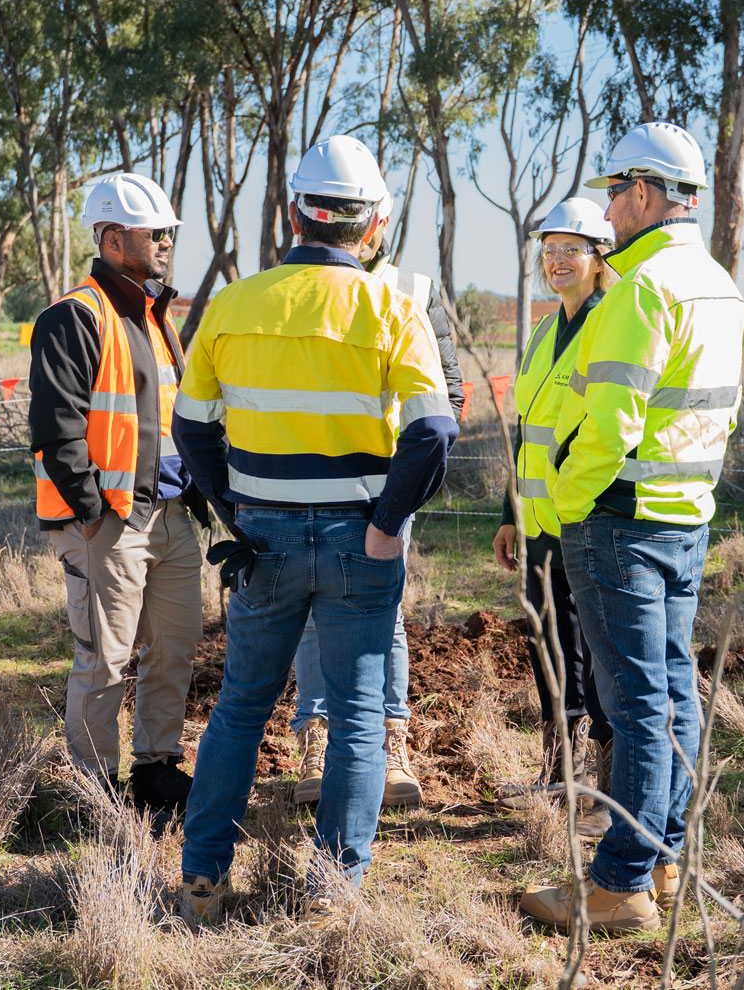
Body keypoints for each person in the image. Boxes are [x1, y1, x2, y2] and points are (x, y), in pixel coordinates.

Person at [172, 134, 459, 920]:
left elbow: (191, 429)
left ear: (294, 213)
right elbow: (434, 430)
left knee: (240, 708)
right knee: (360, 717)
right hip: (356, 542)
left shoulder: (232, 304)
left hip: (261, 541)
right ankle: (333, 896)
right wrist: (389, 522)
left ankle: (202, 881)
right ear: (374, 226)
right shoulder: (392, 307)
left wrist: (236, 511)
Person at [519, 122, 744, 933]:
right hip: (684, 516)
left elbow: (609, 428)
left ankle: (618, 884)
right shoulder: (717, 283)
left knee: (639, 703)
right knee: (673, 695)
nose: (608, 209)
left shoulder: (641, 287)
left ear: (646, 194)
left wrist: (566, 507)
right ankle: (667, 856)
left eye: (615, 193)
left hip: (618, 521)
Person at [29, 172, 208, 816]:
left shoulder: (157, 319)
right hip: (110, 521)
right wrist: (92, 513)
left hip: (171, 516)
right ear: (110, 239)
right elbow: (57, 427)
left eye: (166, 232)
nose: (165, 241)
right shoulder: (73, 316)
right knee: (104, 661)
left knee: (174, 651)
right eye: (151, 232)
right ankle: (96, 790)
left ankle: (156, 770)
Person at [290, 188, 464, 810]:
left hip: (385, 486)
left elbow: (448, 394)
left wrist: (410, 487)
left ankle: (392, 743)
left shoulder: (413, 289)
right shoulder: (300, 282)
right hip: (306, 479)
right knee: (312, 614)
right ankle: (316, 737)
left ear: (380, 221)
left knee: (384, 616)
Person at [492, 198, 614, 831]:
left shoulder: (608, 324)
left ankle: (600, 783)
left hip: (588, 518)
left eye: (573, 249)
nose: (558, 261)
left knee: (594, 646)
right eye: (550, 249)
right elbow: (527, 428)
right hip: (538, 522)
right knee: (550, 643)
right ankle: (560, 768)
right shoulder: (544, 329)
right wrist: (509, 511)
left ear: (600, 257)